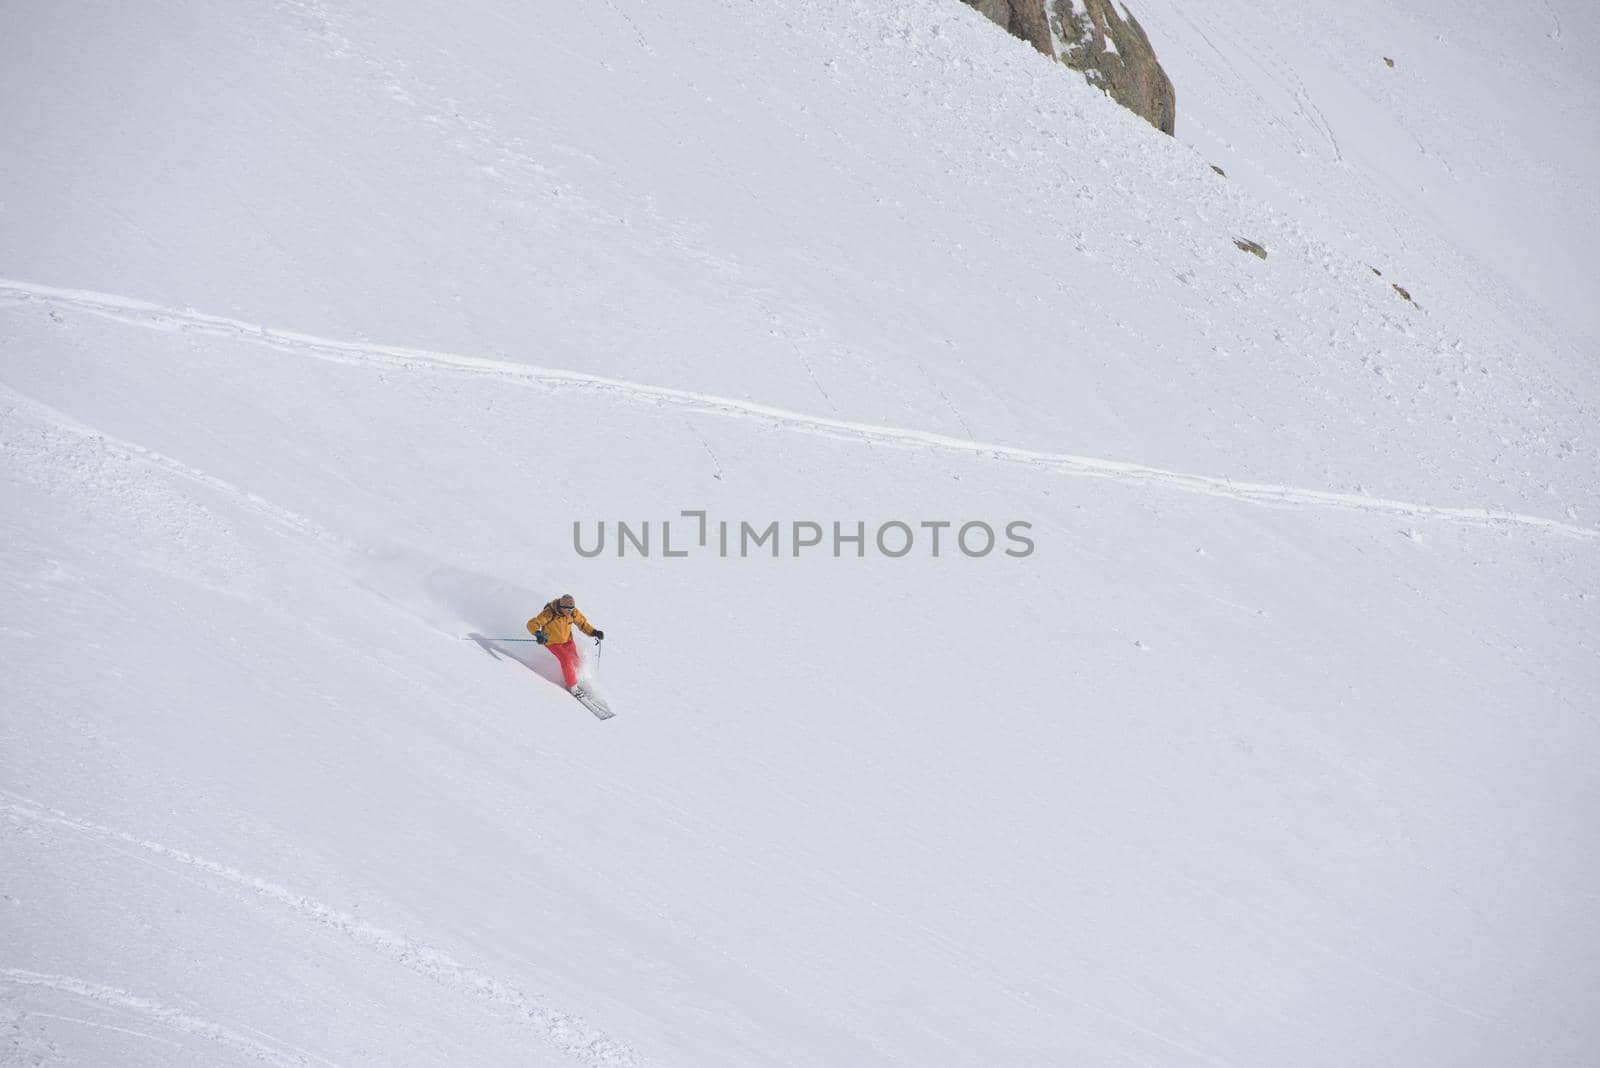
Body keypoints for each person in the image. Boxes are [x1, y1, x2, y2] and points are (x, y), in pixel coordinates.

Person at [526, 594, 604, 691]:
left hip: (567, 640)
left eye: (571, 609)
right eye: (567, 609)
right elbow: (532, 623)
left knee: (575, 660)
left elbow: (582, 624)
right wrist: (538, 634)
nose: (570, 611)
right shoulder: (550, 613)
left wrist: (594, 632)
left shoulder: (573, 613)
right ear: (561, 607)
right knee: (566, 660)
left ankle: (577, 679)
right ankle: (573, 686)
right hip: (552, 642)